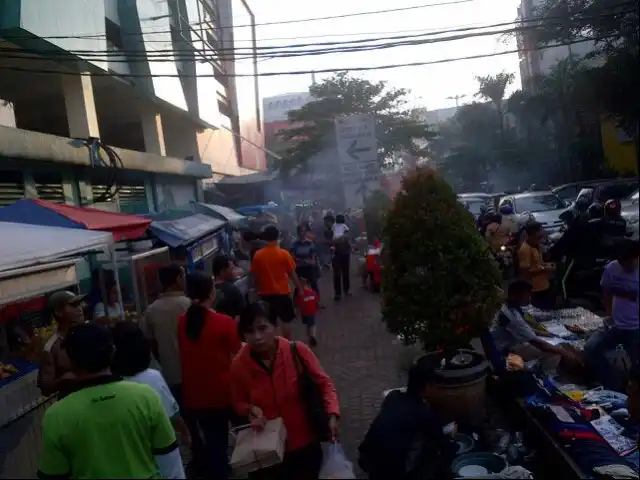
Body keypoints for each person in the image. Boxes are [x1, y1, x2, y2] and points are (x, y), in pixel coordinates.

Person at [37, 323, 181, 479]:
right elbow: (170, 460)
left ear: (71, 361)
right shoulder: (146, 397)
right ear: (113, 352)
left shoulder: (57, 415)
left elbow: (53, 476)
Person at [231, 302, 340, 480]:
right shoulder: (238, 366)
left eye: (262, 328)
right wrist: (250, 410)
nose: (257, 337)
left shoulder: (297, 352)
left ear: (275, 326)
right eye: (250, 331)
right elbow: (238, 402)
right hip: (268, 453)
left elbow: (325, 384)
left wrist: (332, 414)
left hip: (305, 445)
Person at [178, 272, 242, 479]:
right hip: (225, 391)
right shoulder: (224, 322)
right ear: (211, 293)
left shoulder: (182, 323)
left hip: (196, 394)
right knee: (243, 431)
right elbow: (237, 353)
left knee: (215, 441)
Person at [111, 322, 188, 479]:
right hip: (157, 448)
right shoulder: (152, 377)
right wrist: (185, 432)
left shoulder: (111, 383)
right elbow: (171, 413)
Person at [358, 358, 457, 479]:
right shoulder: (423, 413)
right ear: (427, 386)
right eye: (434, 385)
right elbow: (441, 440)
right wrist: (451, 436)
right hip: (393, 474)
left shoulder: (393, 397)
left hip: (369, 462)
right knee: (434, 453)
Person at [490, 279, 581, 373]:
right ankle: (545, 373)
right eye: (526, 295)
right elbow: (539, 344)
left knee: (554, 344)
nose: (529, 298)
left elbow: (525, 328)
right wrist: (566, 354)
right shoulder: (513, 316)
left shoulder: (508, 306)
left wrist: (544, 333)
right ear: (514, 295)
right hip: (505, 350)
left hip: (508, 342)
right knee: (554, 353)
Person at [583, 240, 639, 391]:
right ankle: (614, 387)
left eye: (629, 261)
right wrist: (609, 314)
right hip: (615, 326)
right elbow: (607, 290)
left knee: (637, 367)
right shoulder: (612, 267)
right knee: (591, 349)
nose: (625, 265)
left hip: (636, 329)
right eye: (622, 262)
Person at [143, 264, 190, 402]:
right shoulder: (189, 305)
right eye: (184, 277)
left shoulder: (151, 311)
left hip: (169, 374)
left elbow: (151, 344)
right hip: (194, 373)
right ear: (178, 279)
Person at [250, 225, 302, 340]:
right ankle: (287, 341)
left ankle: (275, 342)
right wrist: (300, 289)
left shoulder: (258, 255)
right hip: (283, 293)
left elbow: (254, 277)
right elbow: (292, 274)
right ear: (278, 236)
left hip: (265, 294)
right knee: (287, 320)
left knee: (271, 320)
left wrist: (254, 290)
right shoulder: (284, 254)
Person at [38, 290, 86, 398]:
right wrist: (63, 380)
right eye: (74, 305)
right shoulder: (52, 347)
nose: (80, 308)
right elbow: (45, 387)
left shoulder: (91, 333)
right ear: (58, 311)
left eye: (80, 304)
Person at [517, 222, 555, 310]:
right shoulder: (525, 249)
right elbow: (525, 272)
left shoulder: (536, 246)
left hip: (544, 286)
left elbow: (538, 264)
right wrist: (545, 269)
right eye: (541, 230)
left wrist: (547, 265)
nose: (543, 232)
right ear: (535, 233)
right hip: (535, 289)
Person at [213, 255, 246, 321]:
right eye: (232, 269)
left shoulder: (208, 289)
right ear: (222, 272)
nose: (234, 272)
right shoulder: (233, 290)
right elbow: (242, 314)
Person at [290, 224, 320, 295]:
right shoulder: (294, 243)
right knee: (299, 286)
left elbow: (313, 253)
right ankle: (297, 303)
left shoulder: (310, 242)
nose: (303, 233)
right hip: (299, 267)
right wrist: (301, 260)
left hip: (309, 266)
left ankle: (317, 302)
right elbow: (292, 256)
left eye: (304, 231)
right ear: (298, 232)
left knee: (314, 285)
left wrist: (312, 260)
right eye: (301, 231)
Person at [332, 214, 352, 301]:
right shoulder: (345, 227)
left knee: (337, 274)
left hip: (337, 253)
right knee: (345, 272)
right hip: (343, 253)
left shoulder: (334, 227)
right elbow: (347, 239)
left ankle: (338, 293)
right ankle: (345, 290)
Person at [296, 275, 320, 347]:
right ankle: (313, 336)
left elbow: (298, 307)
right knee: (312, 325)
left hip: (305, 313)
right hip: (312, 311)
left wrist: (297, 315)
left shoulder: (299, 296)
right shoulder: (313, 293)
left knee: (307, 325)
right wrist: (318, 308)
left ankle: (309, 337)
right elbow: (317, 302)